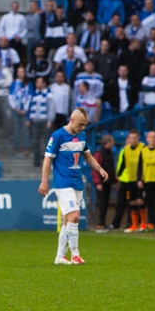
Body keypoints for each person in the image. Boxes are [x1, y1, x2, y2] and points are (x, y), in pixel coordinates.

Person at [38, 108, 108, 265]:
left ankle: (60, 256)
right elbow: (47, 159)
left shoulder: (82, 135)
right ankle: (75, 254)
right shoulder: (57, 136)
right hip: (63, 183)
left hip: (77, 182)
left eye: (85, 125)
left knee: (67, 220)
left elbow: (88, 157)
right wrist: (44, 180)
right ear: (72, 120)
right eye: (81, 124)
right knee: (75, 216)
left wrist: (99, 168)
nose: (83, 128)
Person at [111, 130, 146, 232]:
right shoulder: (126, 149)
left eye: (135, 138)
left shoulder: (143, 148)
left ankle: (143, 224)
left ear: (138, 138)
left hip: (140, 179)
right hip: (130, 179)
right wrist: (118, 175)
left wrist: (142, 178)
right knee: (132, 202)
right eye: (131, 138)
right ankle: (134, 225)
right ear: (128, 139)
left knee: (140, 201)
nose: (133, 140)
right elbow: (123, 164)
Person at [92, 134, 117, 232]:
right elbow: (95, 169)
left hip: (107, 183)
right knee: (102, 203)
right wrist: (98, 182)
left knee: (105, 203)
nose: (114, 142)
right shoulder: (99, 153)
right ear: (108, 142)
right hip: (101, 183)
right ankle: (100, 224)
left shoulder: (109, 153)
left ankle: (103, 223)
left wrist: (114, 180)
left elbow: (110, 169)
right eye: (112, 141)